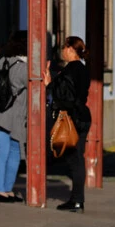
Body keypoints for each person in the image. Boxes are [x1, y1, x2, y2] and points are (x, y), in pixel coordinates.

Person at [45, 36, 92, 213]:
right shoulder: (82, 69)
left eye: (64, 48)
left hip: (73, 117)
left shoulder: (71, 69)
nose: (62, 51)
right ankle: (76, 199)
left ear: (71, 49)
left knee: (75, 159)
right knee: (77, 157)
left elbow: (64, 96)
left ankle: (77, 200)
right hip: (82, 115)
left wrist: (50, 84)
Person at [0, 31, 28, 204]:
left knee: (1, 152)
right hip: (15, 114)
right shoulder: (24, 67)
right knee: (13, 152)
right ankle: (4, 189)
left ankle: (0, 190)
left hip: (0, 111)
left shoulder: (1, 62)